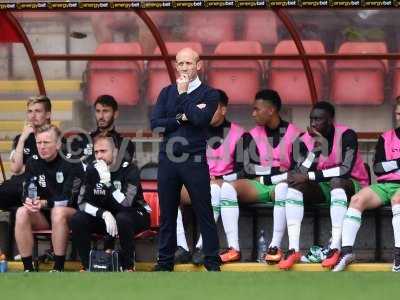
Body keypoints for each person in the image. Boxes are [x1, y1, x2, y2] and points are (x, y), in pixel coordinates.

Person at [150, 47, 220, 271]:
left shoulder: (210, 94)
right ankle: (165, 263)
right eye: (180, 64)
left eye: (188, 63)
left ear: (198, 65)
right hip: (168, 160)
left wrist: (183, 96)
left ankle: (212, 262)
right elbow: (156, 124)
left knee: (204, 212)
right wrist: (181, 118)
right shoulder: (165, 92)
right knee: (168, 214)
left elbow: (200, 119)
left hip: (195, 160)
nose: (183, 68)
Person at [282, 101, 369, 270]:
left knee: (337, 181)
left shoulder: (347, 135)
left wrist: (309, 176)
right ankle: (293, 249)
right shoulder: (305, 139)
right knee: (294, 186)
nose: (313, 123)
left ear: (330, 120)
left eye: (319, 119)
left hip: (354, 186)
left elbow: (344, 170)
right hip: (325, 186)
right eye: (311, 119)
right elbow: (301, 173)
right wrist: (317, 147)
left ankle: (335, 247)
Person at [220, 89, 302, 264]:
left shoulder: (295, 134)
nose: (253, 113)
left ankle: (275, 246)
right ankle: (233, 248)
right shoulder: (251, 135)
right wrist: (277, 171)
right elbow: (248, 170)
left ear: (271, 110)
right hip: (258, 185)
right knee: (227, 187)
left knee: (282, 188)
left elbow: (297, 172)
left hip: (282, 186)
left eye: (257, 109)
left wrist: (267, 174)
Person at [174, 89, 245, 264]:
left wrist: (222, 178)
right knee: (169, 190)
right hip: (196, 183)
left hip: (224, 185)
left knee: (214, 189)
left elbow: (245, 171)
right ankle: (182, 247)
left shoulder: (241, 134)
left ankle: (201, 246)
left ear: (223, 109)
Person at [332, 98, 400, 272]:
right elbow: (378, 167)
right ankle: (347, 253)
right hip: (385, 185)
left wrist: (390, 164)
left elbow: (384, 165)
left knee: (398, 200)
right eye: (399, 113)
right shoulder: (387, 137)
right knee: (356, 200)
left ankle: (398, 256)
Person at [69, 134, 149, 272]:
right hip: (107, 217)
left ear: (115, 152)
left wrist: (108, 183)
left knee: (122, 218)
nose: (99, 156)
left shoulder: (130, 169)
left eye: (103, 151)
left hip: (134, 214)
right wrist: (103, 214)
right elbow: (81, 203)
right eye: (96, 152)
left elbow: (126, 204)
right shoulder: (92, 170)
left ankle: (129, 266)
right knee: (77, 218)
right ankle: (87, 265)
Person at [14, 125, 83, 272]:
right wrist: (29, 201)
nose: (42, 147)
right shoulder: (33, 161)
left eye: (46, 142)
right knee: (21, 212)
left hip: (71, 214)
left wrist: (45, 202)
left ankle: (58, 268)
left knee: (58, 212)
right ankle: (28, 268)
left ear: (58, 144)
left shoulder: (72, 162)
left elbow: (70, 198)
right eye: (39, 143)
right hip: (43, 214)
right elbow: (27, 189)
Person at [0, 96, 51, 210]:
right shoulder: (21, 138)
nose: (33, 116)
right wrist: (23, 138)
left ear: (47, 114)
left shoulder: (54, 137)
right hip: (17, 186)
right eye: (30, 111)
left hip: (40, 185)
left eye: (37, 111)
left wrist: (27, 167)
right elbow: (15, 169)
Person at [65, 94, 135, 167]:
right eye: (98, 111)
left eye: (105, 111)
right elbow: (70, 167)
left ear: (115, 114)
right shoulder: (81, 140)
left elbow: (123, 171)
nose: (101, 116)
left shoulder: (124, 143)